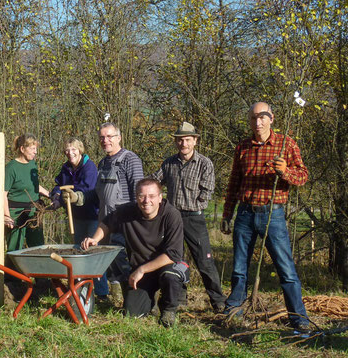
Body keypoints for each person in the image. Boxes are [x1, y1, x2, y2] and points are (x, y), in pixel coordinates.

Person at [220, 102, 310, 331]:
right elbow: (233, 183)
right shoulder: (242, 147)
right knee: (240, 267)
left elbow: (302, 176)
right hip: (245, 214)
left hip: (273, 214)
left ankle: (298, 318)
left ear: (271, 118)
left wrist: (284, 172)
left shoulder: (285, 144)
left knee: (286, 269)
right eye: (253, 118)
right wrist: (227, 213)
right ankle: (234, 311)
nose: (257, 122)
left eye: (262, 117)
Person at [81, 178, 189, 327]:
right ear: (136, 197)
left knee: (170, 276)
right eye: (141, 196)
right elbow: (107, 222)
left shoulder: (172, 215)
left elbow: (173, 254)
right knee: (132, 313)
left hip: (169, 266)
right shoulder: (128, 211)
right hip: (142, 271)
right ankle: (151, 302)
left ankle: (169, 309)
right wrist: (95, 239)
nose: (146, 201)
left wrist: (141, 270)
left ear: (160, 197)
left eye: (151, 196)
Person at [63, 122, 144, 303]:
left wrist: (136, 222)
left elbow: (140, 193)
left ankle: (137, 303)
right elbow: (97, 193)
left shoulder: (130, 160)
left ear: (119, 138)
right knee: (111, 264)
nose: (105, 141)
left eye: (109, 137)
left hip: (126, 223)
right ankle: (118, 301)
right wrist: (78, 197)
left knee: (125, 264)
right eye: (102, 137)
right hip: (106, 222)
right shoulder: (103, 162)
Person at [151, 122, 226, 313]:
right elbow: (154, 182)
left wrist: (195, 206)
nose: (183, 143)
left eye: (187, 140)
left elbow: (207, 191)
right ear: (176, 142)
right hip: (172, 218)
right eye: (180, 140)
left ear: (195, 141)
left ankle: (218, 301)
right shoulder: (169, 163)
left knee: (205, 261)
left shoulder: (204, 163)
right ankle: (179, 299)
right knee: (176, 260)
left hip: (194, 218)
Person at [49, 138, 109, 298]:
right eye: (67, 150)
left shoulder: (89, 167)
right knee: (77, 251)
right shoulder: (66, 168)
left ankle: (102, 292)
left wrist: (70, 196)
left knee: (92, 252)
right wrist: (56, 196)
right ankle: (80, 286)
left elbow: (88, 189)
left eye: (73, 149)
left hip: (91, 216)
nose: (70, 153)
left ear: (80, 150)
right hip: (74, 217)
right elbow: (58, 184)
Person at [4, 134, 49, 257]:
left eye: (36, 148)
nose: (36, 152)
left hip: (34, 211)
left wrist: (50, 195)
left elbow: (33, 185)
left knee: (38, 247)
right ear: (22, 149)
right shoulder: (10, 168)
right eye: (32, 149)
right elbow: (3, 194)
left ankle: (41, 276)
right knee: (15, 249)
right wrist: (7, 216)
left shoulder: (32, 164)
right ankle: (12, 276)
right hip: (16, 212)